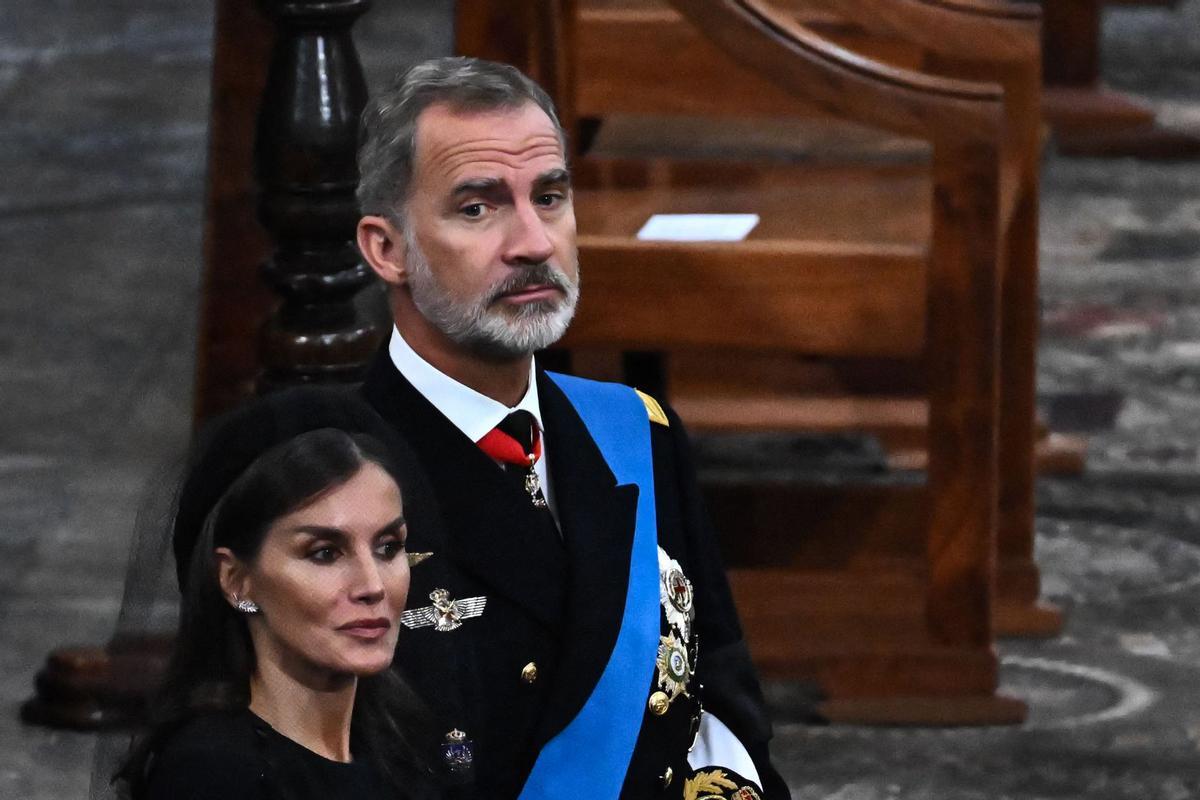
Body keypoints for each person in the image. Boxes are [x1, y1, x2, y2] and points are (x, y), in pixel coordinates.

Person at [355, 57, 789, 798]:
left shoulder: (636, 434)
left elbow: (722, 708)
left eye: (549, 197)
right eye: (477, 208)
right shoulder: (325, 470)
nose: (532, 242)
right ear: (386, 249)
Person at [114, 388, 443, 800]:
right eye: (325, 553)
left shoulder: (401, 741)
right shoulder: (213, 776)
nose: (373, 586)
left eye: (388, 547)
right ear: (236, 580)